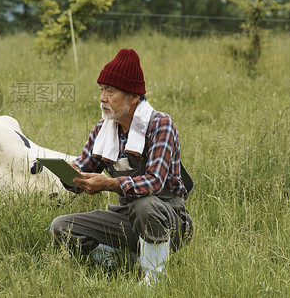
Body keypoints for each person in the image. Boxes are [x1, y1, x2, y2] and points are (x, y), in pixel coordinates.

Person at [49, 48, 193, 285]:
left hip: (169, 219)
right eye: (101, 90)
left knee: (144, 205)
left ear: (133, 97)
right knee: (61, 227)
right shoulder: (103, 129)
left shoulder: (161, 125)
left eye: (110, 91)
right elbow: (83, 169)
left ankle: (153, 278)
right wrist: (69, 173)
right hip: (125, 218)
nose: (102, 98)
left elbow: (154, 182)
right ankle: (118, 260)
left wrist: (109, 183)